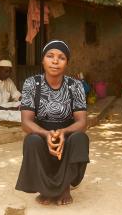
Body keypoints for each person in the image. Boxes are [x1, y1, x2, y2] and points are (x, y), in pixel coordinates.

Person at [15, 40, 89, 205]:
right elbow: (26, 122)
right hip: (41, 132)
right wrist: (46, 134)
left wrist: (63, 132)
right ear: (43, 60)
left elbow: (82, 122)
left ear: (67, 62)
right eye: (50, 56)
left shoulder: (75, 85)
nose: (55, 61)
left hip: (68, 133)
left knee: (80, 138)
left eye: (61, 57)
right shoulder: (32, 84)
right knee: (31, 140)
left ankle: (64, 188)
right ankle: (46, 190)